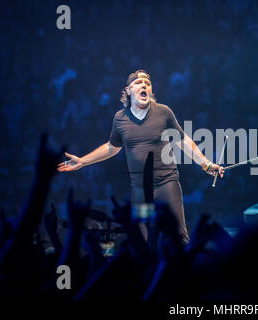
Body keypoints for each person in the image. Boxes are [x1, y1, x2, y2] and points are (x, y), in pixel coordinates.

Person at [57, 69, 224, 243]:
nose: (144, 85)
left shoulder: (163, 112)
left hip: (167, 184)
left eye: (147, 83)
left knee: (178, 237)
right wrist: (83, 161)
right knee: (143, 241)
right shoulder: (120, 118)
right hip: (139, 191)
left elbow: (183, 141)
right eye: (138, 83)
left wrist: (206, 164)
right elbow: (111, 147)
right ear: (128, 90)